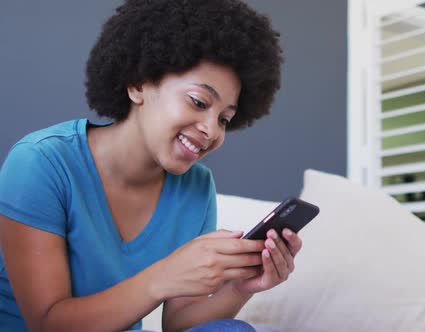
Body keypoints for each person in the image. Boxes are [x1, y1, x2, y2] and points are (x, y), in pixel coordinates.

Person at [0, 0, 296, 331]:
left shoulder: (196, 188)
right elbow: (48, 324)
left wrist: (240, 288)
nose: (211, 130)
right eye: (199, 102)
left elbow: (178, 324)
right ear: (138, 84)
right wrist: (164, 276)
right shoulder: (41, 164)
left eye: (225, 119)